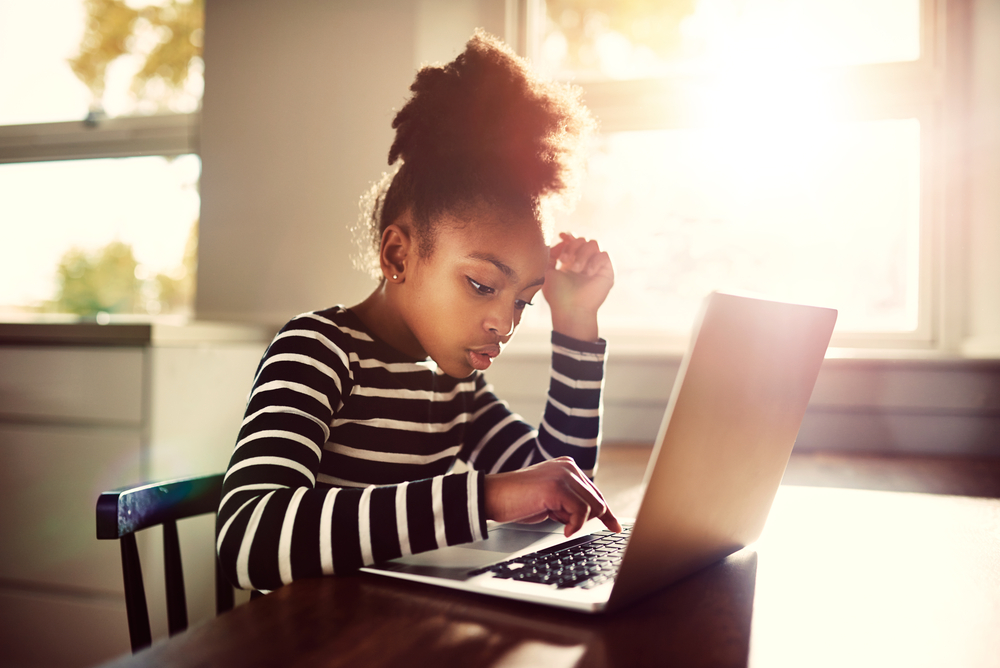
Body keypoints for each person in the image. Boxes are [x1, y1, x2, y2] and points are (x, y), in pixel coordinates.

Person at [216, 30, 621, 592]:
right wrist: (485, 497)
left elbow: (563, 486)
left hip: (393, 633)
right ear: (398, 255)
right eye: (482, 284)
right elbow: (248, 543)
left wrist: (575, 326)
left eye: (523, 300)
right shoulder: (316, 352)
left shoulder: (453, 386)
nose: (504, 323)